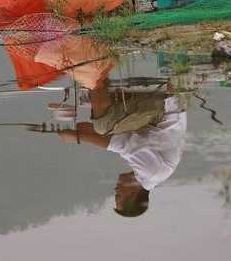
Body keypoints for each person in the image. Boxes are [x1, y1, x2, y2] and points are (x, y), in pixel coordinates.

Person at [58, 79, 187, 217]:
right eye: (118, 195)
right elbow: (119, 142)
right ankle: (95, 74)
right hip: (165, 107)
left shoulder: (145, 175)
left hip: (156, 114)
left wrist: (79, 133)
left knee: (98, 116)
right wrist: (77, 137)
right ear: (131, 195)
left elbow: (114, 137)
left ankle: (98, 74)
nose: (116, 189)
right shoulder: (151, 173)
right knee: (103, 124)